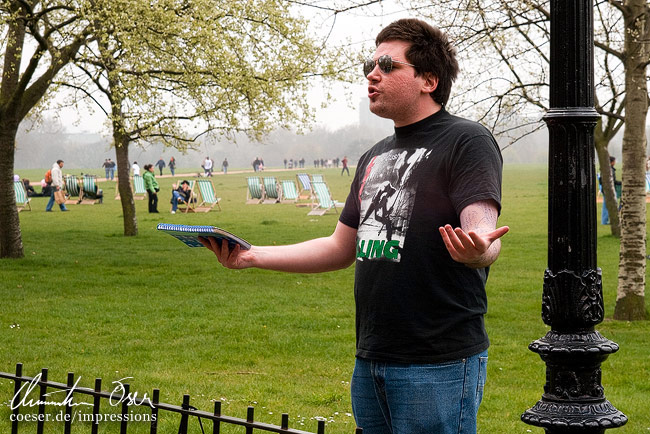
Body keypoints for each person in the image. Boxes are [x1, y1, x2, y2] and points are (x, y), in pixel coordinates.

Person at [199, 19, 508, 434]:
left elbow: (482, 227)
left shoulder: (466, 140)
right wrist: (251, 256)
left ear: (428, 80)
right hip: (372, 357)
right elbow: (339, 248)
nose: (371, 74)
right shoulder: (374, 156)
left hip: (438, 361)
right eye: (370, 63)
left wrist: (481, 249)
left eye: (387, 64)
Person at [601, 155, 622, 225]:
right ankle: (604, 221)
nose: (615, 162)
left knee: (607, 206)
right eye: (614, 161)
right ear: (612, 162)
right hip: (609, 190)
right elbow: (613, 181)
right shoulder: (610, 170)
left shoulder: (607, 169)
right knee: (607, 206)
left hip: (607, 189)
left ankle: (606, 220)